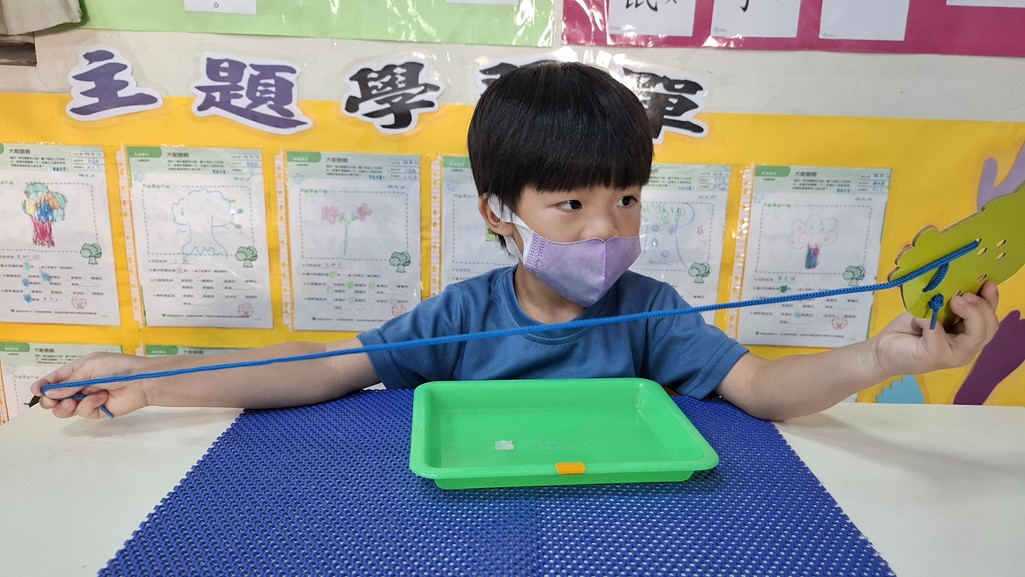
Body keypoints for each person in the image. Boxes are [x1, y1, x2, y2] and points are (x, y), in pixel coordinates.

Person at [32, 61, 999, 422]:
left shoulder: (650, 312)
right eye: (569, 205)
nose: (607, 229)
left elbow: (762, 389)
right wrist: (150, 378)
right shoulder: (461, 316)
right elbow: (320, 368)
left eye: (626, 198)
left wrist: (880, 357)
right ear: (499, 209)